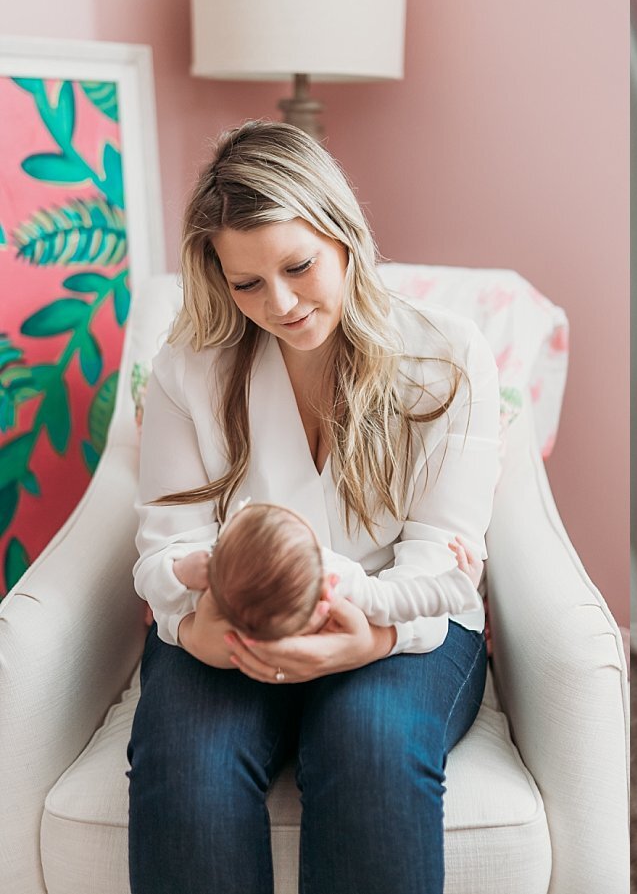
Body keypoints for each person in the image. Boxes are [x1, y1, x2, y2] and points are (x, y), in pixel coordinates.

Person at [126, 120, 501, 894]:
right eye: (247, 282)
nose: (282, 303)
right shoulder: (187, 369)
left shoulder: (446, 355)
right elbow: (166, 547)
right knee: (185, 763)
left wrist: (365, 640)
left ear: (343, 235)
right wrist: (200, 632)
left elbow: (442, 556)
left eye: (299, 266)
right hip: (225, 618)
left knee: (369, 747)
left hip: (397, 624)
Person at [172, 500, 486, 642]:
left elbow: (198, 577)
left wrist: (182, 571)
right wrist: (456, 588)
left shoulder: (231, 594)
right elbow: (397, 600)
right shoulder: (334, 579)